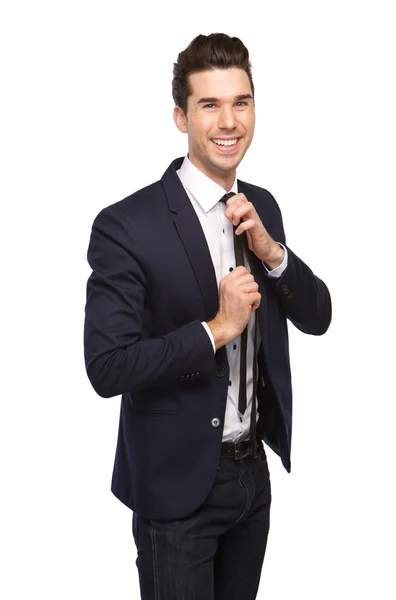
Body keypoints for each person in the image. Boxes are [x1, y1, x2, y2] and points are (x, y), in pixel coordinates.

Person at [84, 32, 331, 600]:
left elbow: (318, 317)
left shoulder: (261, 206)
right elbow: (107, 366)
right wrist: (216, 330)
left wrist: (274, 257)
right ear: (180, 116)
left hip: (252, 478)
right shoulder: (127, 225)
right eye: (209, 104)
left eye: (241, 102)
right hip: (175, 486)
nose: (229, 121)